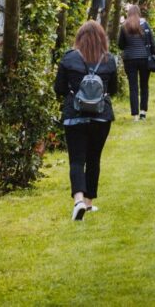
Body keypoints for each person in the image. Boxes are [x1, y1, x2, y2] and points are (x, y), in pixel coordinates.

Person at [54, 21, 118, 220]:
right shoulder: (109, 60)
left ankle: (78, 200)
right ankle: (89, 203)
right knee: (93, 159)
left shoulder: (69, 58)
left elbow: (59, 88)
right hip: (101, 116)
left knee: (76, 159)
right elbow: (113, 90)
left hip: (75, 116)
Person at [118, 4, 155, 121]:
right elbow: (152, 42)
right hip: (144, 58)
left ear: (128, 13)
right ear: (139, 13)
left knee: (133, 87)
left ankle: (135, 115)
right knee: (144, 85)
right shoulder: (145, 25)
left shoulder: (124, 26)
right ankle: (143, 112)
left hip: (130, 59)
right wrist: (154, 56)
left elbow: (121, 45)